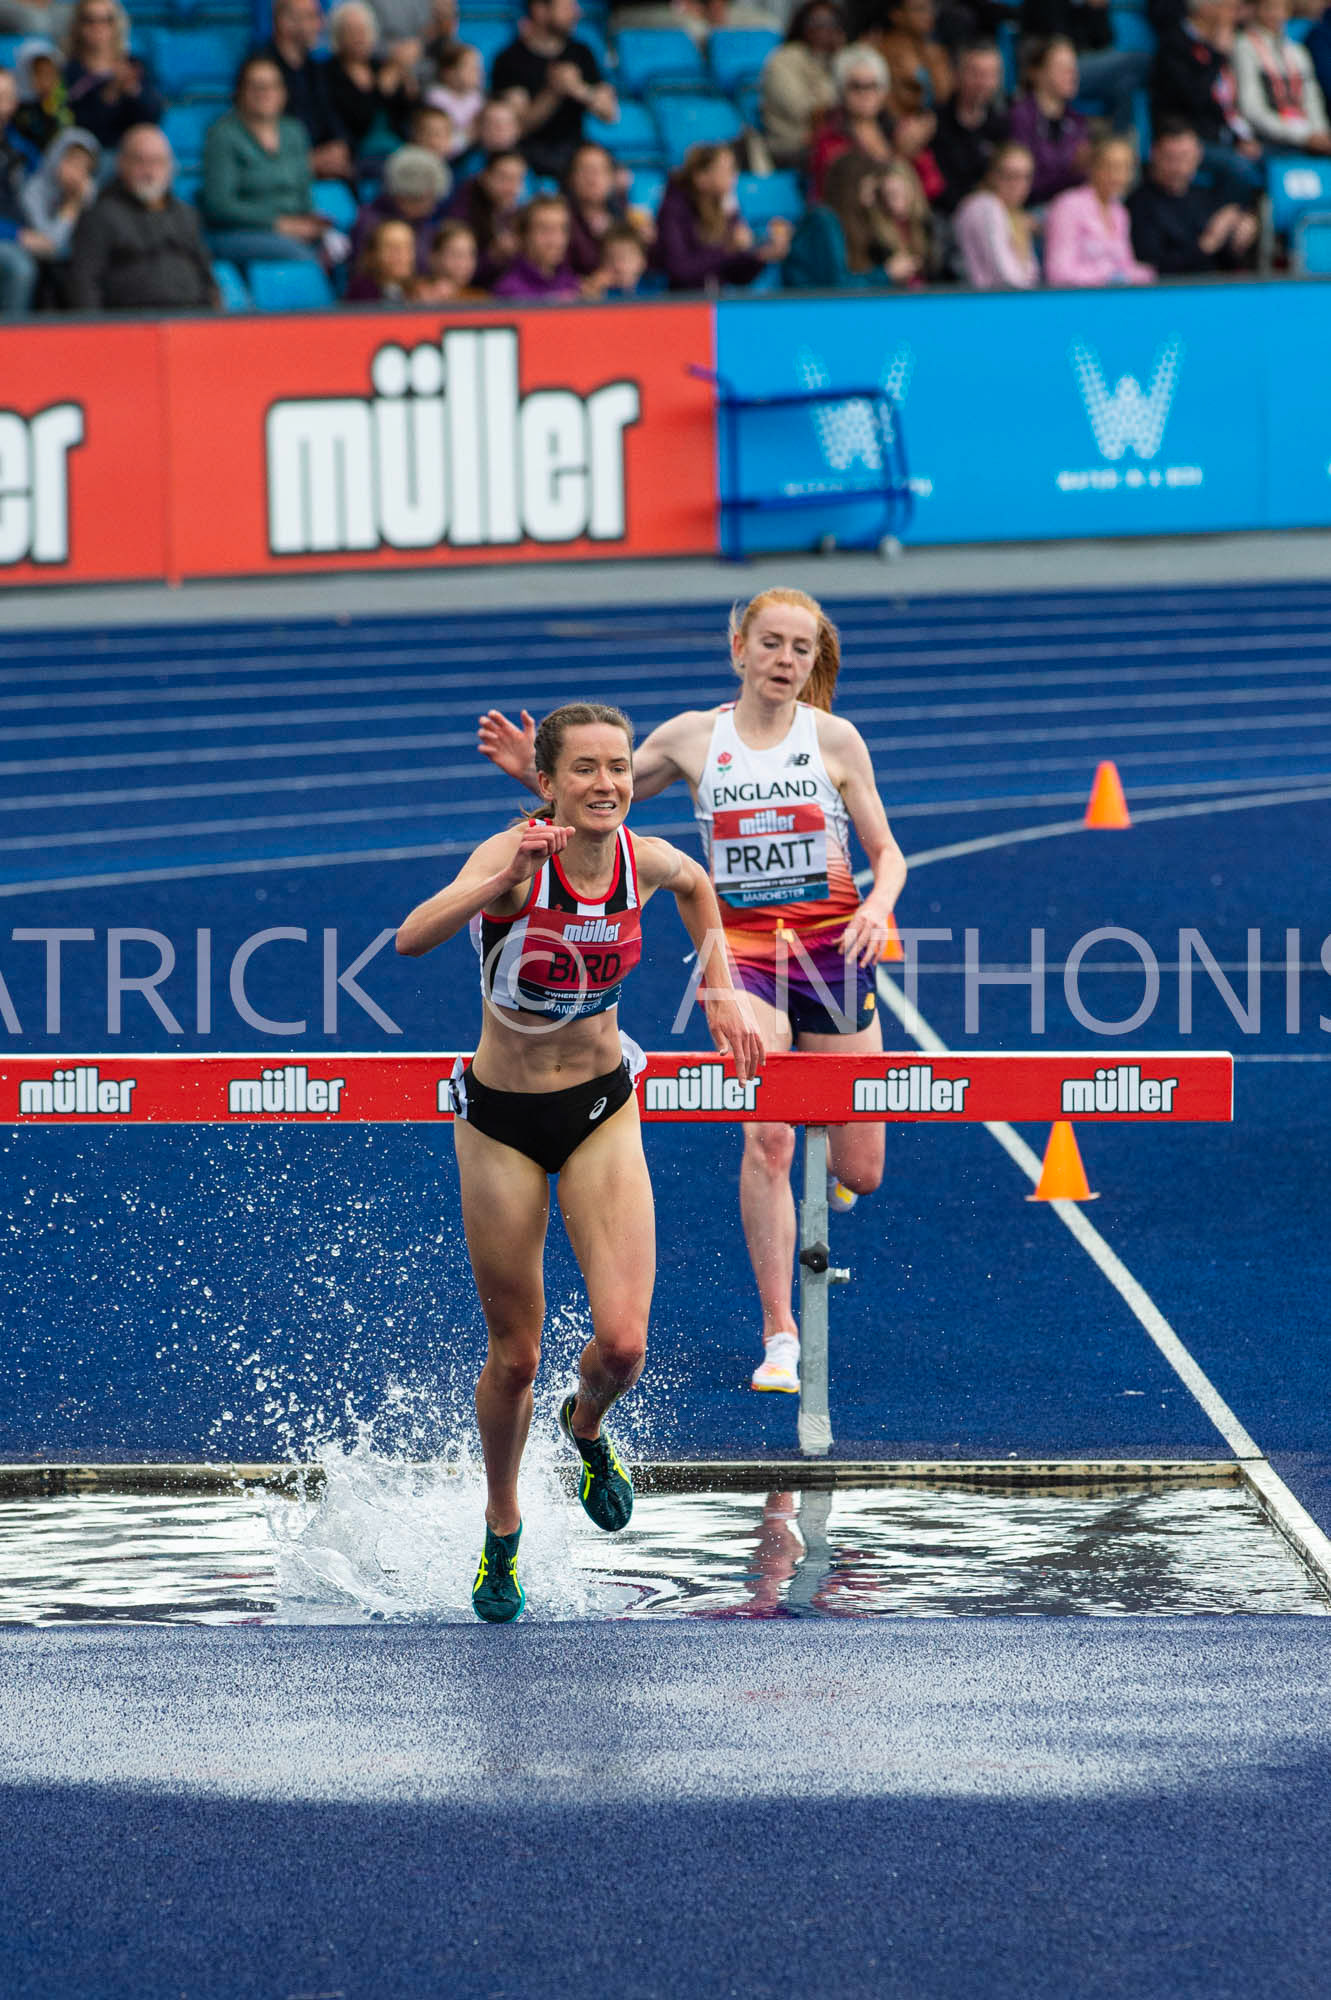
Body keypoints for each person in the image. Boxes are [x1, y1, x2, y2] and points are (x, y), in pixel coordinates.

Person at [478, 589, 907, 1398]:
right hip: (742, 955)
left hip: (831, 951)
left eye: (801, 650)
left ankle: (832, 1171)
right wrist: (531, 770)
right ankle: (779, 1331)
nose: (784, 661)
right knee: (769, 1139)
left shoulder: (835, 740)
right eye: (771, 644)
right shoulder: (690, 738)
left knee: (863, 1168)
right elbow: (598, 797)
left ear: (814, 663)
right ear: (738, 648)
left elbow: (888, 854)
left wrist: (878, 909)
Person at [397, 702, 764, 1621]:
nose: (607, 783)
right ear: (548, 785)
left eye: (619, 767)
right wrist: (499, 883)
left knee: (624, 1343)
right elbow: (411, 937)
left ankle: (586, 1425)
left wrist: (718, 987)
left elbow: (697, 886)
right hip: (499, 1121)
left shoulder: (645, 861)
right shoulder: (516, 859)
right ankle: (502, 1528)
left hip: (601, 1108)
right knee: (515, 1357)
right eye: (586, 769)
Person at [67, 121, 218, 308]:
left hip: (190, 320)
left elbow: (207, 276)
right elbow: (84, 284)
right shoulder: (99, 217)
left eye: (157, 162)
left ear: (170, 167)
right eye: (140, 161)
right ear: (122, 164)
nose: (149, 171)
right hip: (130, 325)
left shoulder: (187, 215)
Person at [200, 56, 329, 267]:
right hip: (240, 232)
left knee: (348, 250)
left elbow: (304, 192)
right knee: (301, 258)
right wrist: (278, 224)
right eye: (257, 86)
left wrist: (310, 222)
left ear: (283, 92)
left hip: (294, 228)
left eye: (273, 86)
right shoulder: (222, 135)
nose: (265, 93)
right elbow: (219, 205)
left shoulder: (294, 131)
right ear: (240, 91)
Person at [489, 0, 617, 181]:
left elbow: (609, 113)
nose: (576, 13)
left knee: (613, 175)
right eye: (566, 7)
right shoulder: (510, 59)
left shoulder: (581, 53)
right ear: (540, 10)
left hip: (573, 151)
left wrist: (578, 88)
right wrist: (552, 91)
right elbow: (517, 127)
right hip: (528, 153)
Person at [1152, 0, 1264, 201]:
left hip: (1225, 135)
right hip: (1189, 137)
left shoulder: (1225, 42)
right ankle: (1226, 221)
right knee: (1239, 167)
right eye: (1227, 6)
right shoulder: (1175, 43)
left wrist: (1240, 136)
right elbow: (1194, 97)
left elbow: (1228, 102)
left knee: (1276, 159)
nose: (1233, 13)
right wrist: (1218, 55)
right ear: (1205, 8)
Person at [654, 139, 790, 289]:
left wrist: (761, 257)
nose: (734, 176)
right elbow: (679, 269)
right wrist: (728, 249)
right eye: (727, 170)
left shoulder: (727, 207)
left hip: (717, 301)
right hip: (683, 305)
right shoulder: (673, 209)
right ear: (701, 178)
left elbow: (736, 275)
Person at [1126, 116, 1258, 268]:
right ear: (1154, 154)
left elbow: (1225, 262)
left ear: (1198, 155)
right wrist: (1207, 244)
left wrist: (1239, 237)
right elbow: (1151, 267)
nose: (1179, 168)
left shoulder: (1203, 197)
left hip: (1214, 288)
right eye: (1171, 159)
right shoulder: (1139, 205)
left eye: (1185, 157)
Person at [784, 146, 926, 283]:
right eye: (867, 191)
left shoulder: (850, 223)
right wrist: (886, 275)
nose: (869, 201)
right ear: (851, 189)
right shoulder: (823, 221)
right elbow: (836, 286)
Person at [1019, 0, 1151, 133]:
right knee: (1136, 61)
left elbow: (1105, 41)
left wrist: (1095, 9)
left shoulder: (1083, 5)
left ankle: (1119, 144)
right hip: (1054, 59)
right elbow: (1053, 40)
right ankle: (1119, 140)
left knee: (1125, 83)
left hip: (1086, 60)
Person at [258, 0, 353, 183]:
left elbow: (330, 116)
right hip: (280, 172)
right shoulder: (261, 69)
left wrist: (340, 146)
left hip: (324, 166)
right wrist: (306, 161)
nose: (320, 25)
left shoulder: (316, 69)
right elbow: (262, 129)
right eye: (311, 17)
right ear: (285, 22)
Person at [1044, 130, 1154, 281]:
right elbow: (1058, 272)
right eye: (1112, 166)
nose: (1119, 176)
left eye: (1126, 167)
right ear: (1093, 167)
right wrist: (1107, 277)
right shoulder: (1068, 205)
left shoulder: (1120, 212)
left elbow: (1126, 266)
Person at [62, 0, 160, 153]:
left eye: (106, 20)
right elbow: (78, 125)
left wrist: (133, 90)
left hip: (131, 152)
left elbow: (152, 116)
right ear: (78, 26)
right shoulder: (69, 72)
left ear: (117, 25)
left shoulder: (134, 66)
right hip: (86, 155)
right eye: (89, 20)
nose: (98, 27)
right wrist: (111, 92)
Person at [759, 0, 847, 169]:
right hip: (791, 144)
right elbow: (803, 109)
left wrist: (839, 56)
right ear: (803, 24)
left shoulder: (837, 58)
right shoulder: (783, 60)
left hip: (830, 137)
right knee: (841, 156)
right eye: (817, 21)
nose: (824, 28)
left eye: (831, 22)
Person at [1235, 0, 1331, 153]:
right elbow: (1251, 108)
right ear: (1256, 10)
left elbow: (1312, 98)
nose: (1275, 14)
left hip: (1307, 138)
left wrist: (1320, 132)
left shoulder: (1297, 52)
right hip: (1267, 141)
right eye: (1269, 8)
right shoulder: (1244, 46)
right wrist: (1304, 136)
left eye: (1280, 8)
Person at [327, 1, 417, 158]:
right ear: (338, 37)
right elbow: (355, 123)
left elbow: (406, 115)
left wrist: (409, 89)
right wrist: (380, 90)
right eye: (351, 32)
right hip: (358, 153)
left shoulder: (381, 66)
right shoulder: (329, 73)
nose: (359, 38)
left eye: (363, 31)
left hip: (398, 148)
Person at [19, 123, 98, 300]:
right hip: (43, 266)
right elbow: (52, 244)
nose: (75, 171)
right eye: (71, 161)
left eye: (83, 165)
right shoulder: (34, 190)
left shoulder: (90, 193)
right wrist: (71, 207)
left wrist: (82, 201)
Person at [1008, 35, 1090, 203]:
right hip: (1032, 207)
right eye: (1061, 67)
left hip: (1068, 207)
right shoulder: (1020, 116)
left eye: (1073, 67)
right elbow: (1025, 181)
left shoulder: (1077, 120)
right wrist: (1073, 172)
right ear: (1036, 73)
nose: (1071, 74)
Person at [930, 39, 1007, 212]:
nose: (983, 82)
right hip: (944, 215)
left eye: (991, 75)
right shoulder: (934, 121)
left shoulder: (1002, 124)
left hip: (986, 213)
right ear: (957, 74)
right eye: (975, 73)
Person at [350, 141, 449, 269]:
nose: (432, 206)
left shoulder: (424, 225)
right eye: (427, 199)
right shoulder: (369, 224)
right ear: (404, 197)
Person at [954, 138, 1039, 283]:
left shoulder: (1015, 214)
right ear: (993, 175)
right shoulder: (985, 206)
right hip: (984, 301)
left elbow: (1030, 273)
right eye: (1012, 176)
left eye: (1026, 177)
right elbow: (1004, 275)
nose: (1020, 185)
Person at [447, 143, 526, 276]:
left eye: (517, 178)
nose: (511, 186)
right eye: (504, 177)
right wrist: (493, 256)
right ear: (485, 177)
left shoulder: (521, 214)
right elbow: (456, 269)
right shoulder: (463, 210)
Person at [0, 67, 42, 315]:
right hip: (11, 239)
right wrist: (18, 235)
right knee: (19, 267)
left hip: (22, 233)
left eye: (4, 98)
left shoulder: (21, 149)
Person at [872, 0, 955, 122]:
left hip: (936, 127)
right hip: (897, 127)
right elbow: (885, 102)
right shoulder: (881, 52)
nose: (928, 14)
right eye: (919, 9)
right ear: (897, 14)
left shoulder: (937, 51)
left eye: (931, 9)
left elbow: (946, 96)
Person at [490, 189, 580, 295]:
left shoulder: (571, 283)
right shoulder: (508, 291)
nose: (556, 240)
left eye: (562, 229)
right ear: (524, 236)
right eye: (545, 229)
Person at [563, 139, 633, 275]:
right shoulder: (560, 220)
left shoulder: (625, 218)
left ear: (612, 178)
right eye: (585, 170)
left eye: (600, 170)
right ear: (571, 177)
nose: (592, 178)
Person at [424, 40, 482, 156]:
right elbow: (439, 141)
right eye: (469, 67)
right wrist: (469, 136)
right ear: (448, 73)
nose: (477, 72)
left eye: (477, 67)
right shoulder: (435, 98)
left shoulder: (476, 97)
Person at [13, 38, 70, 153]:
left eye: (50, 73)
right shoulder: (21, 111)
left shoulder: (65, 103)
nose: (45, 81)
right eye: (39, 73)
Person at [346, 211, 420, 295]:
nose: (401, 255)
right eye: (392, 248)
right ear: (373, 254)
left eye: (407, 247)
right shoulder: (360, 295)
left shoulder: (422, 293)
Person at [415, 213, 484, 296]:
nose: (465, 263)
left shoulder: (479, 298)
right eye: (456, 255)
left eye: (471, 254)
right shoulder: (416, 294)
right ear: (434, 257)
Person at [582, 216, 647, 294]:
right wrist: (593, 289)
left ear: (642, 262)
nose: (618, 266)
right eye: (611, 259)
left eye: (626, 258)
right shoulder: (602, 292)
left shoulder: (655, 288)